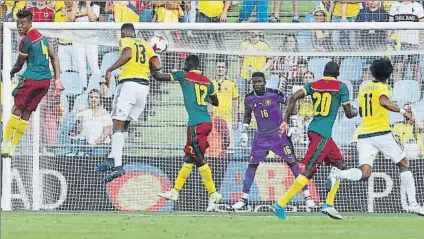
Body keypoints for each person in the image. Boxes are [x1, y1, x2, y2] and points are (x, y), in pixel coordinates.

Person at [327, 58, 424, 216]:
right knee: (404, 163)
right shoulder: (384, 88)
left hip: (364, 134)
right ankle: (413, 204)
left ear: (372, 71)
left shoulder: (364, 87)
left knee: (365, 173)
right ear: (389, 74)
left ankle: (339, 174)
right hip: (381, 133)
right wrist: (403, 112)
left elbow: (362, 110)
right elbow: (383, 101)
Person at [273, 61, 358, 220]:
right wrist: (356, 111)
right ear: (337, 73)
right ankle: (280, 204)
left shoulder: (313, 85)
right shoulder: (341, 87)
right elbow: (348, 113)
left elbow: (293, 97)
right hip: (322, 134)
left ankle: (329, 204)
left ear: (324, 72)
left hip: (317, 130)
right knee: (309, 171)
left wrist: (285, 120)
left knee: (341, 164)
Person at [232, 72, 315, 210]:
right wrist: (244, 131)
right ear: (252, 83)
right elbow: (247, 115)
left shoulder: (274, 93)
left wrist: (293, 121)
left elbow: (292, 101)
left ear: (265, 82)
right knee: (252, 165)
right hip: (261, 138)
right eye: (255, 82)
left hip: (279, 136)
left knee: (293, 163)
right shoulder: (249, 98)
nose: (257, 84)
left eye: (260, 81)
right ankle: (243, 199)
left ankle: (308, 197)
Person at [152, 55, 223, 212]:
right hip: (206, 122)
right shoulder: (208, 81)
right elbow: (216, 102)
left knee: (199, 159)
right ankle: (175, 191)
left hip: (196, 123)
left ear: (186, 64)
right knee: (189, 157)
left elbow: (158, 76)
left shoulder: (183, 75)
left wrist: (151, 62)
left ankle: (213, 193)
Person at [96, 23, 162, 183]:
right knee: (124, 125)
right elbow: (157, 65)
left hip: (129, 85)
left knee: (117, 124)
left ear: (124, 32)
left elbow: (127, 54)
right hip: (144, 88)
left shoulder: (126, 40)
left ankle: (118, 167)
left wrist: (110, 69)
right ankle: (112, 158)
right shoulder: (146, 44)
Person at [1, 9, 62, 158]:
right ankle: (13, 147)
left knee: (16, 109)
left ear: (30, 23)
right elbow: (54, 58)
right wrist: (57, 78)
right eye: (17, 23)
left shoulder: (27, 40)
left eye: (23, 23)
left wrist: (10, 73)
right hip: (45, 82)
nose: (19, 26)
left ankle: (5, 143)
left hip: (32, 79)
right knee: (26, 113)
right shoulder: (43, 38)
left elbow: (19, 64)